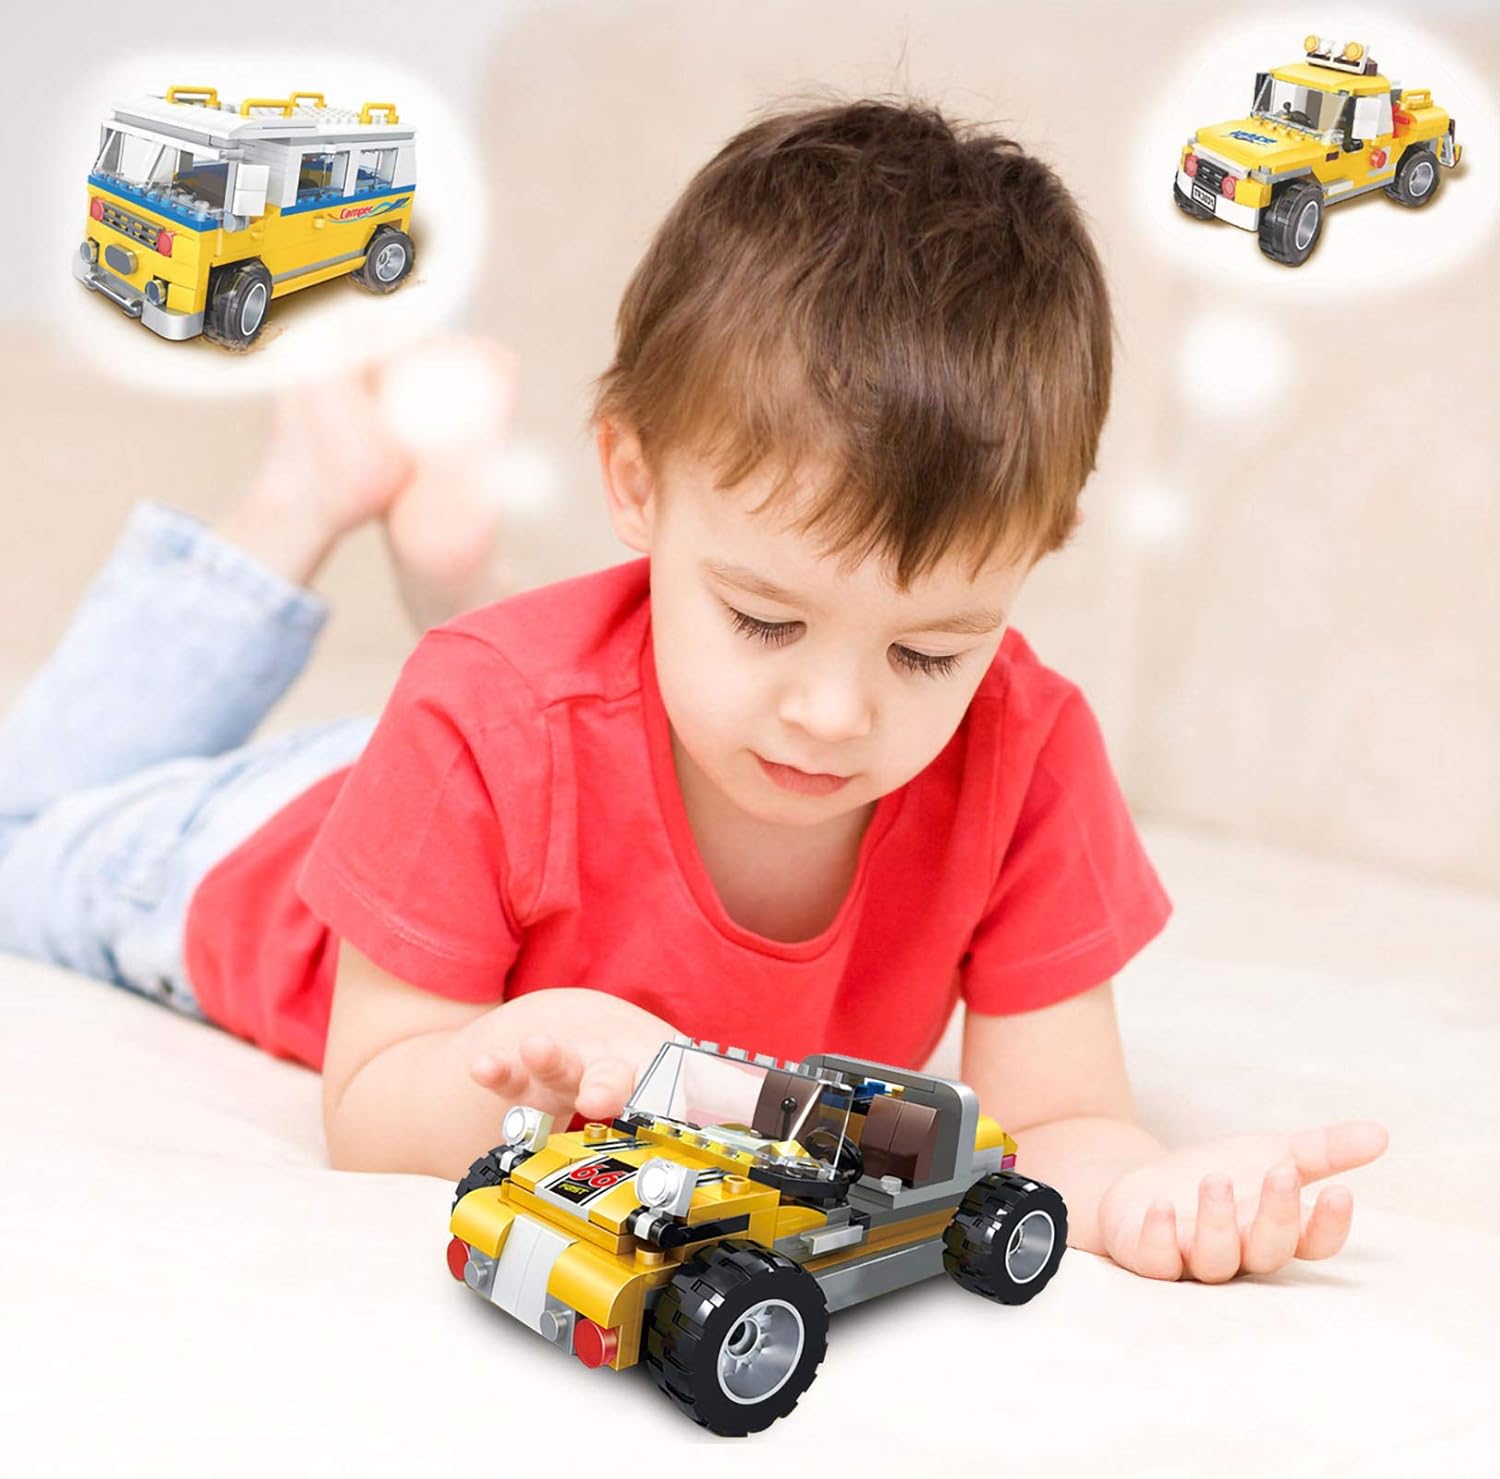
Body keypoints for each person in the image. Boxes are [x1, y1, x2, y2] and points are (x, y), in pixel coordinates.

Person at [0, 98, 1385, 1282]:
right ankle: (306, 492)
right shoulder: (481, 717)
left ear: (1037, 555)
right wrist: (521, 1063)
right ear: (633, 483)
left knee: (535, 701)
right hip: (252, 852)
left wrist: (1151, 1197)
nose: (835, 716)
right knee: (18, 823)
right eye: (765, 620)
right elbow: (368, 1106)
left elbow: (1062, 1122)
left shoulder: (1025, 752)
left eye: (927, 654)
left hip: (517, 754)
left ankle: (451, 556)